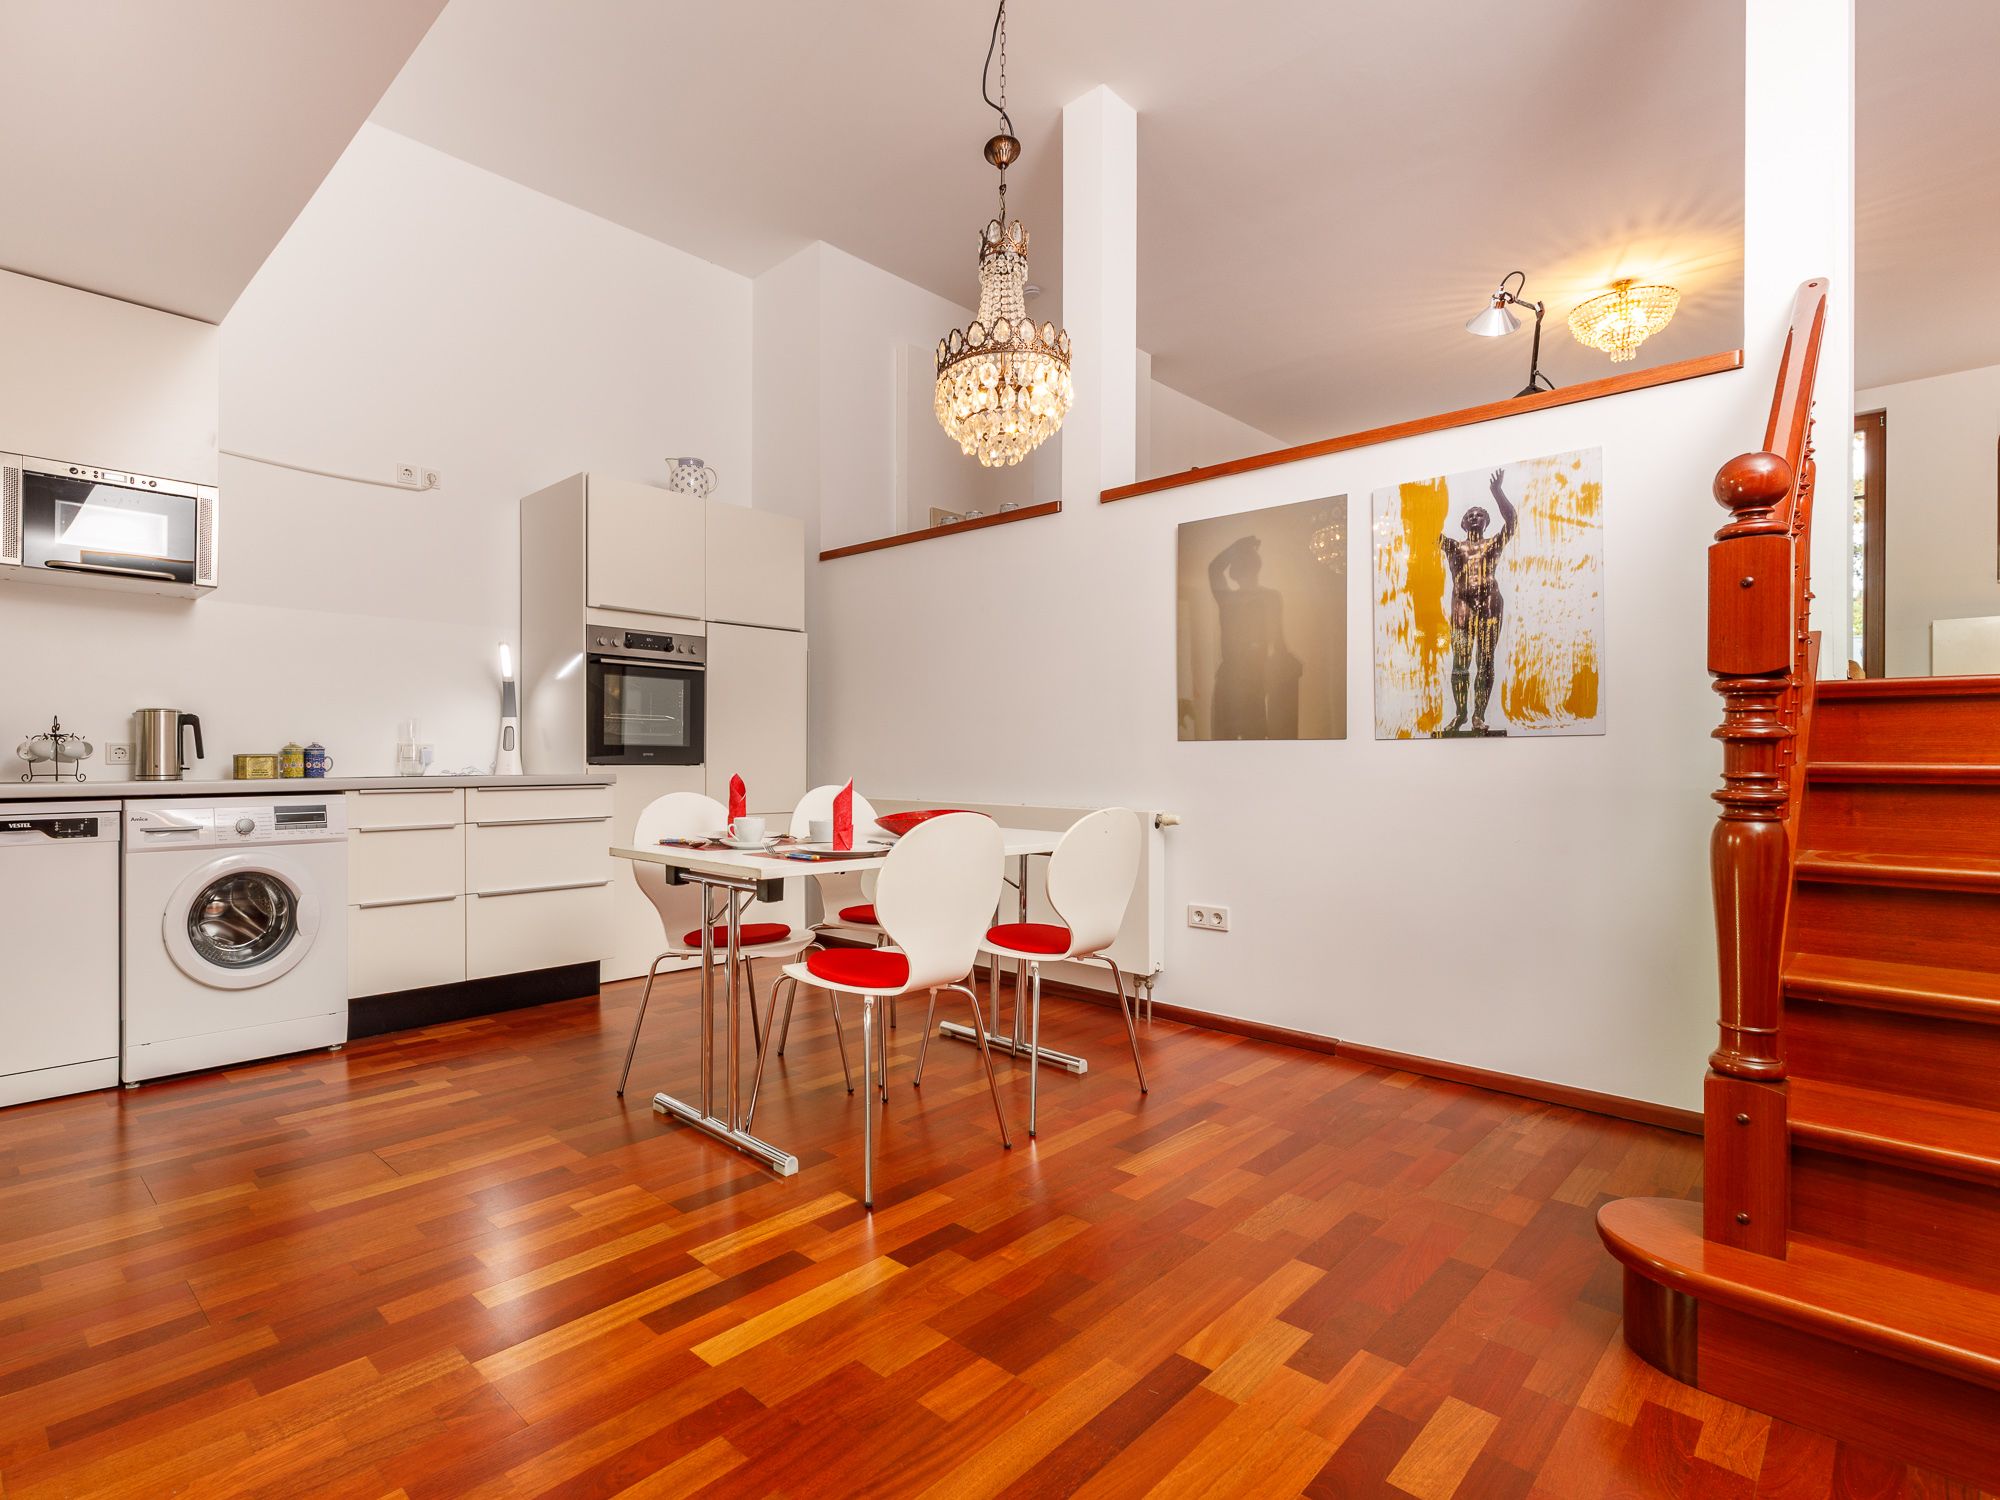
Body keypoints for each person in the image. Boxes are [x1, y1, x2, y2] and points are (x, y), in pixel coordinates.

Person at [1438, 469, 1518, 734]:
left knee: (1485, 659)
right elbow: (1426, 531)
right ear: (1463, 523)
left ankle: (1478, 715)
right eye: (1470, 515)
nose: (1474, 517)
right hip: (1461, 603)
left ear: (1486, 522)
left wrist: (1497, 492)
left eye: (1479, 515)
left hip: (1489, 602)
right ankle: (1460, 714)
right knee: (1460, 662)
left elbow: (1511, 522)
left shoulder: (1492, 544)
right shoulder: (1453, 547)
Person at [1207, 535, 1302, 738]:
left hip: (1250, 680)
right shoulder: (1232, 599)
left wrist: (1237, 547)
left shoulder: (1235, 599)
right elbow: (1279, 644)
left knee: (1248, 738)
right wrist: (1237, 546)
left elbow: (1278, 643)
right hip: (1237, 680)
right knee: (1240, 740)